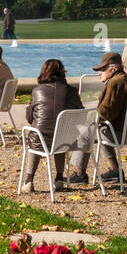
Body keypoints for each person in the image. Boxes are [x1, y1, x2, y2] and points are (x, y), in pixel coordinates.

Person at [66, 52, 127, 184]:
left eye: (102, 69)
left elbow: (106, 113)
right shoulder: (126, 80)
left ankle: (81, 173)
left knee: (89, 130)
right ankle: (113, 170)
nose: (99, 73)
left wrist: (87, 117)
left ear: (113, 68)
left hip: (123, 133)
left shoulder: (115, 83)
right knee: (92, 128)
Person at [19, 59, 83, 193]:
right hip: (65, 139)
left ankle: (29, 181)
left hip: (40, 140)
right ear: (62, 72)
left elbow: (29, 118)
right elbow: (80, 113)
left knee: (36, 135)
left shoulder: (37, 91)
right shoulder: (71, 91)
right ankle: (59, 178)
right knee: (60, 135)